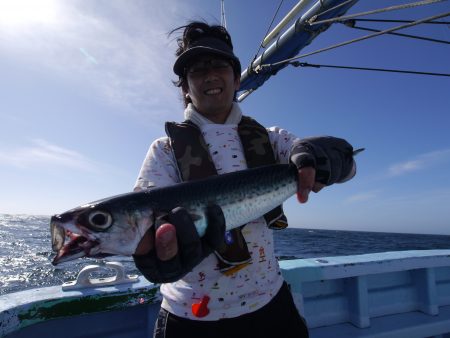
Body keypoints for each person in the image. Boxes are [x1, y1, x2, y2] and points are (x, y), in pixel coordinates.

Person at [132, 21, 357, 338]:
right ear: (184, 87)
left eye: (219, 65)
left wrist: (325, 158)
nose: (210, 75)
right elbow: (146, 220)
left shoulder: (271, 139)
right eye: (197, 70)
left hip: (270, 304)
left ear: (236, 78)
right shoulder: (165, 151)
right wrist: (152, 258)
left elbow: (344, 168)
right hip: (191, 317)